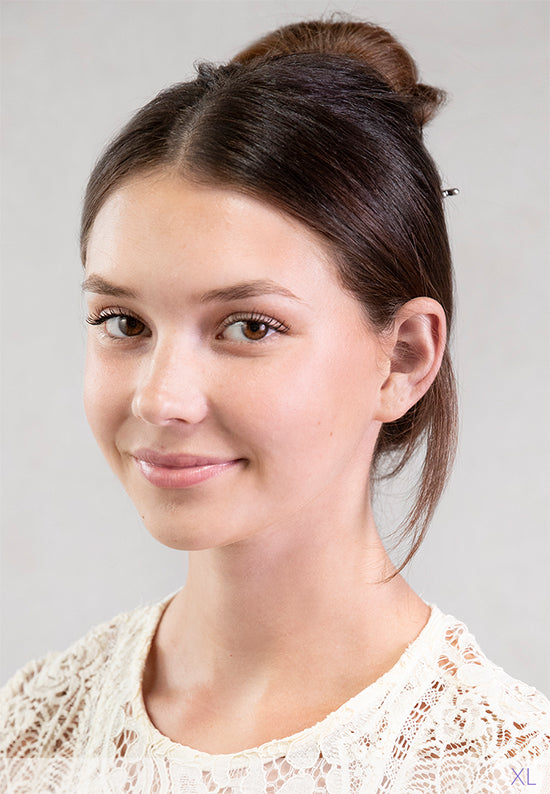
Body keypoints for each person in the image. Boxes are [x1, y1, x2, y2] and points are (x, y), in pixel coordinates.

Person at [1, 17, 548, 794]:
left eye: (249, 326)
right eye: (123, 322)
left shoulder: (495, 767)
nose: (161, 397)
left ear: (403, 358)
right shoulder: (31, 730)